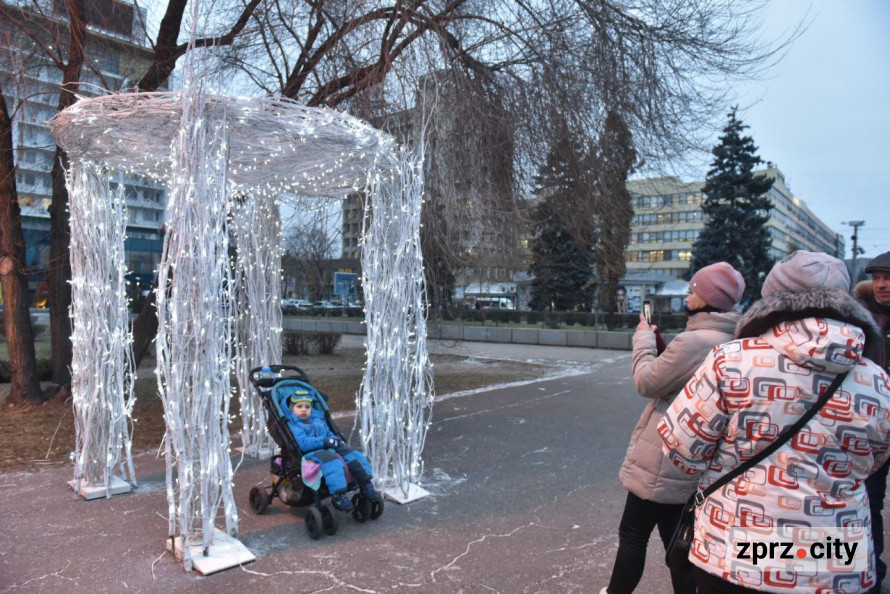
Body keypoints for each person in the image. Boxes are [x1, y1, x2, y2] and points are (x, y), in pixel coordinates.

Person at [659, 251, 890, 593]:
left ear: (773, 299)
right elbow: (876, 460)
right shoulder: (876, 379)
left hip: (734, 552)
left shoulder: (730, 361)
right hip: (836, 558)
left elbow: (680, 449)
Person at [602, 262, 745, 594]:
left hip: (665, 454)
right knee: (678, 544)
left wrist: (643, 338)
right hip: (697, 455)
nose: (689, 295)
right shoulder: (731, 339)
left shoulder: (695, 341)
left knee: (633, 535)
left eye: (694, 290)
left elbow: (647, 382)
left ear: (708, 298)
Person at [856, 251, 890, 593]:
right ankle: (872, 570)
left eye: (888, 278)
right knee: (870, 498)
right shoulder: (863, 318)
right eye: (877, 277)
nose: (882, 284)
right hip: (875, 427)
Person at [283, 391, 379, 512]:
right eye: (299, 406)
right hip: (313, 452)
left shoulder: (318, 419)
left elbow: (328, 433)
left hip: (329, 446)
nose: (304, 410)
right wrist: (324, 441)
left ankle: (365, 483)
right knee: (333, 463)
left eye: (307, 407)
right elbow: (303, 443)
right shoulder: (294, 424)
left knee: (353, 454)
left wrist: (335, 440)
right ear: (292, 408)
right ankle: (339, 494)